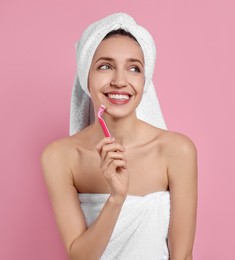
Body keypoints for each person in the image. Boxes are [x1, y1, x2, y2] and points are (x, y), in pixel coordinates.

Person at [41, 13, 197, 260]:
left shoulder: (177, 150)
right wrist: (116, 198)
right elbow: (79, 257)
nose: (120, 81)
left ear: (144, 81)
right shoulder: (59, 157)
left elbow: (183, 255)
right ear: (86, 76)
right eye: (105, 66)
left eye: (134, 68)